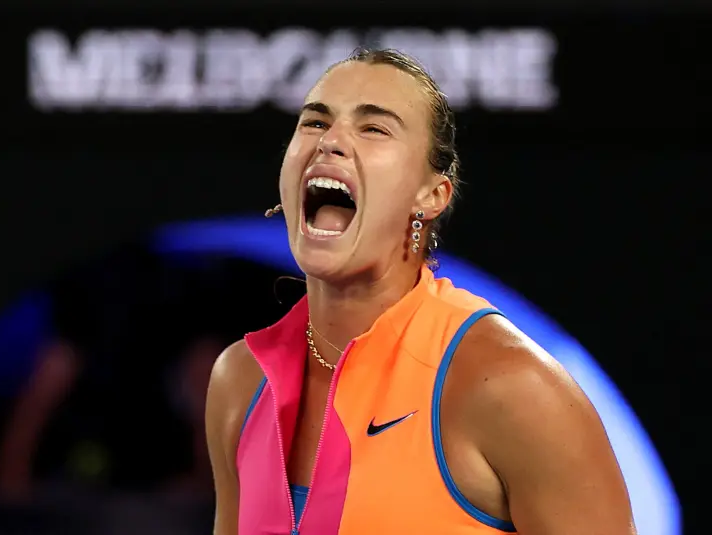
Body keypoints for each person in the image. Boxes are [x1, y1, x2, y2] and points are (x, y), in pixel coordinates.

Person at [205, 48, 636, 535]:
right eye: (315, 122)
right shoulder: (239, 382)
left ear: (431, 196)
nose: (331, 142)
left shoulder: (510, 386)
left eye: (374, 128)